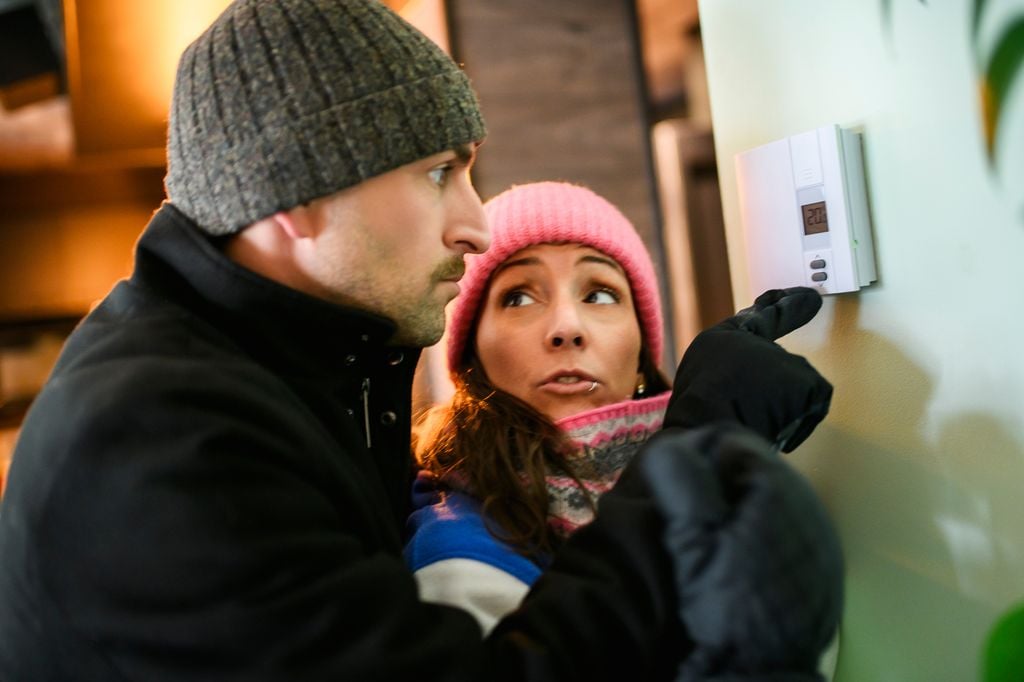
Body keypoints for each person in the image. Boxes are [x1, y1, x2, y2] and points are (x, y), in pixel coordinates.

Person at [0, 1, 840, 680]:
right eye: (440, 172)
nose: (476, 224)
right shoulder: (161, 440)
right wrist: (696, 461)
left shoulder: (315, 374)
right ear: (297, 190)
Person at [405, 181, 842, 677]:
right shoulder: (459, 551)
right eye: (519, 298)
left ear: (640, 355)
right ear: (471, 358)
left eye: (599, 293)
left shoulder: (741, 488)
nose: (566, 326)